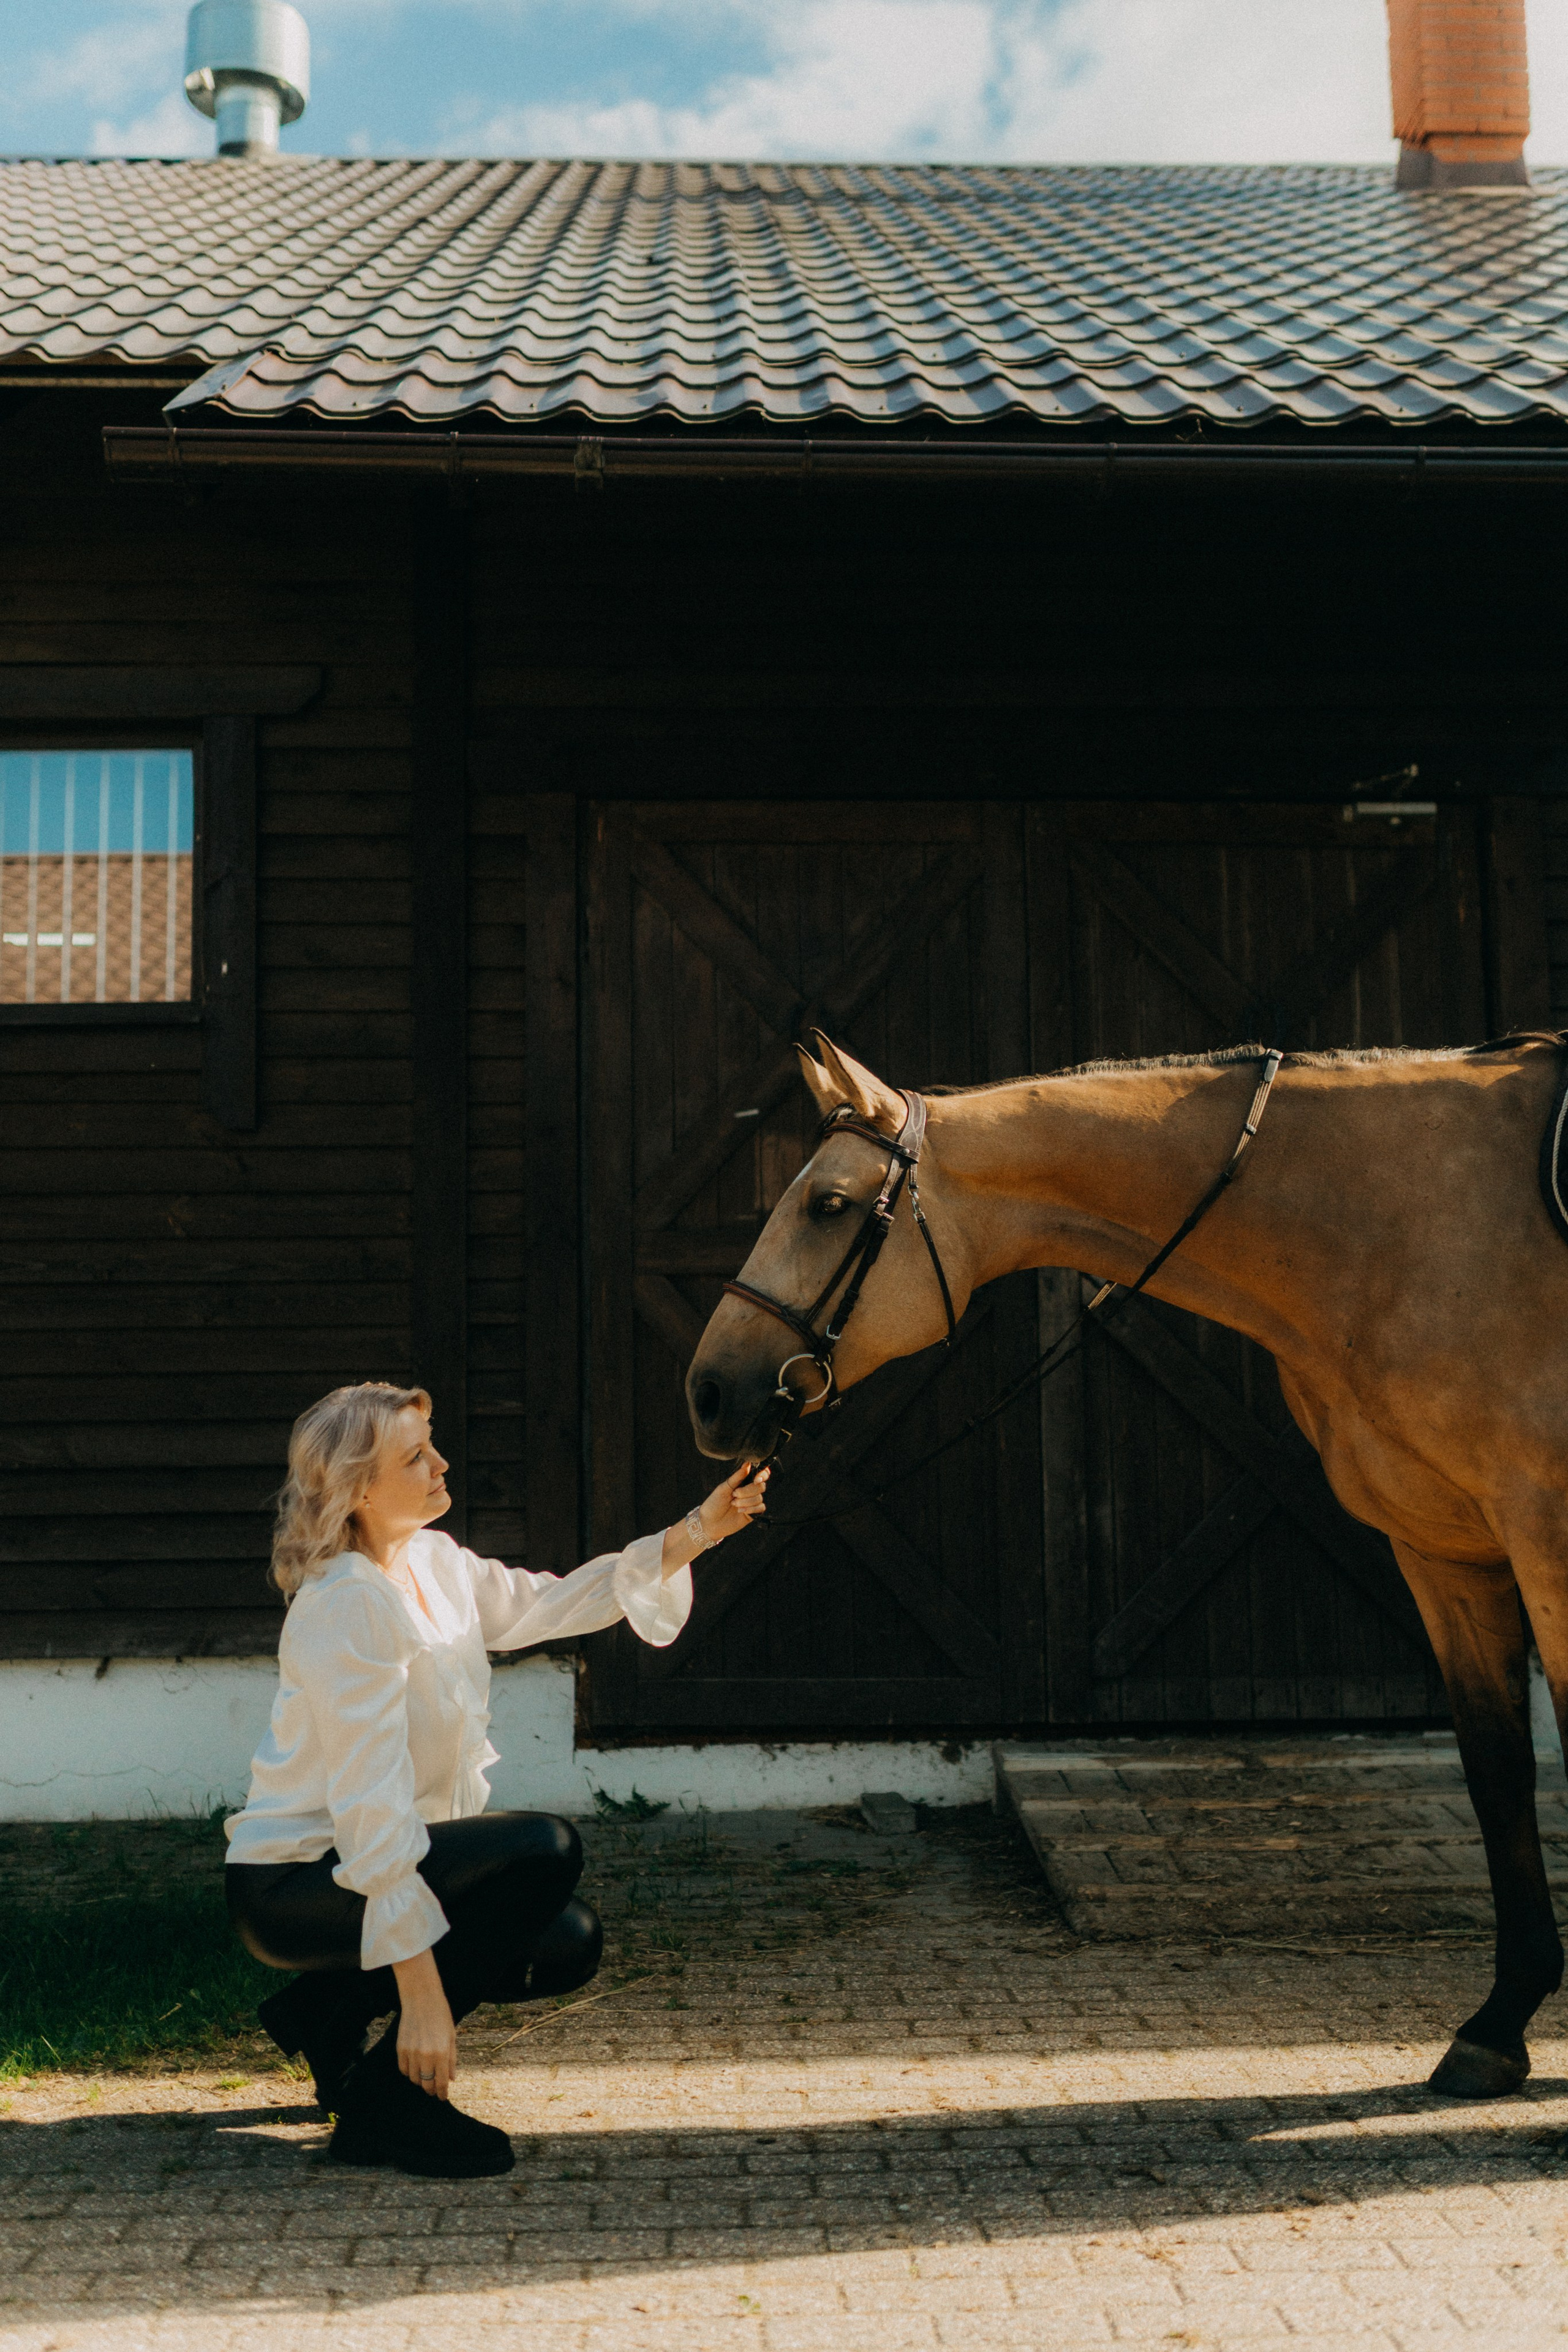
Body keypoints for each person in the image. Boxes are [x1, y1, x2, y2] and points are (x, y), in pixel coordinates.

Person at [224, 1380, 767, 2179]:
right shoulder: (347, 1604)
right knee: (544, 1849)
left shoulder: (434, 1562)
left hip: (376, 1867)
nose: (443, 1463)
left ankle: (326, 2013)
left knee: (565, 1939)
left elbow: (549, 1604)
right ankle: (386, 2104)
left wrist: (699, 1531)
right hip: (298, 1885)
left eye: (433, 1442)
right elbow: (370, 1811)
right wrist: (424, 1996)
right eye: (417, 1456)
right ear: (361, 1489)